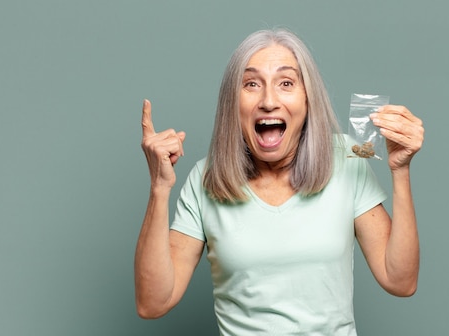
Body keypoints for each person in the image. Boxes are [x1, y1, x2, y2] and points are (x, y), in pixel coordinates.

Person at [135, 28, 424, 335]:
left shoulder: (348, 155)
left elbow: (400, 281)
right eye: (251, 84)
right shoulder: (205, 178)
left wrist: (400, 170)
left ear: (308, 99)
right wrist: (159, 187)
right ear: (232, 104)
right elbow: (152, 303)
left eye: (286, 83)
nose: (268, 101)